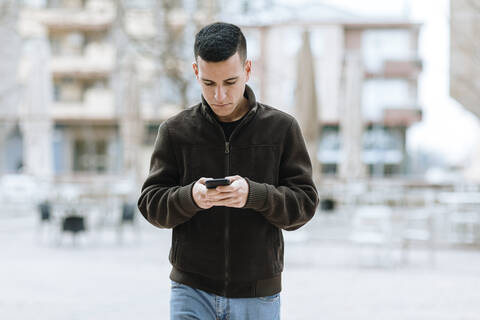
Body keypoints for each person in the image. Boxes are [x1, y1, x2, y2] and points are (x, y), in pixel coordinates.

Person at [138, 22, 319, 320]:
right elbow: (150, 204)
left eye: (230, 82)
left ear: (248, 69)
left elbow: (304, 204)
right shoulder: (174, 131)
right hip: (191, 290)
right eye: (209, 83)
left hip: (258, 294)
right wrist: (190, 197)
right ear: (196, 72)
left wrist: (255, 195)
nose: (220, 95)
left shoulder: (282, 129)